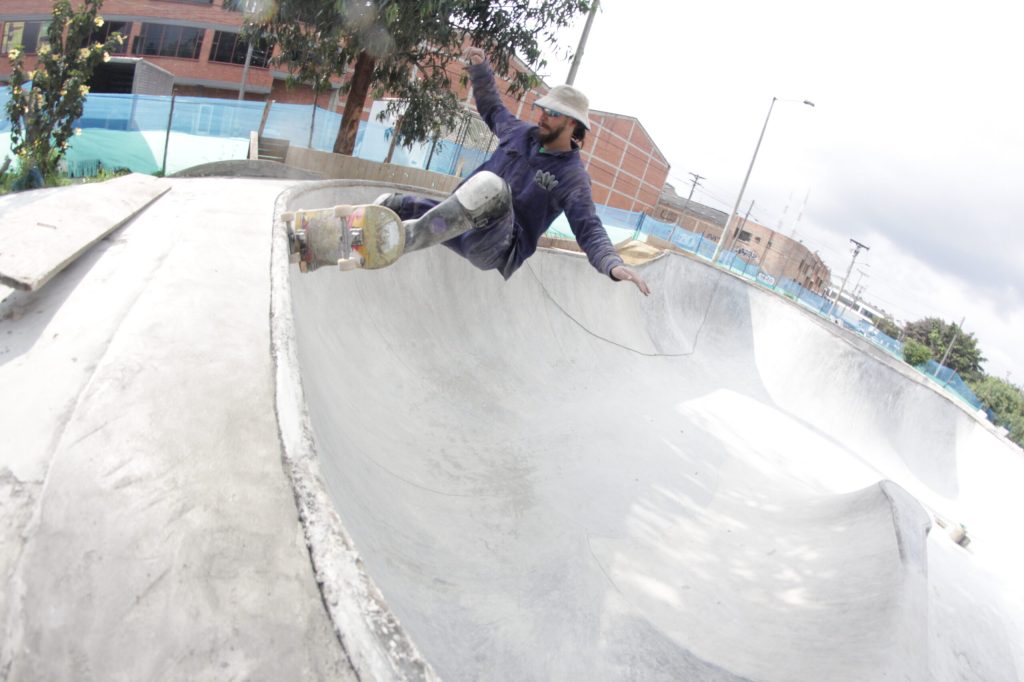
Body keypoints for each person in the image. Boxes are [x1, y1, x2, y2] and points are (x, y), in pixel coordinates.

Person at [375, 46, 650, 296]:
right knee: (398, 204)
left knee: (491, 187)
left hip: (497, 246)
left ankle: (409, 236)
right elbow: (492, 108)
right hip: (460, 228)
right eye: (542, 110)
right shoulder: (518, 132)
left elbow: (588, 228)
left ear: (571, 124)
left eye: (551, 114)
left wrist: (611, 264)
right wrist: (481, 69)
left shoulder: (572, 177)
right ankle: (365, 231)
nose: (541, 117)